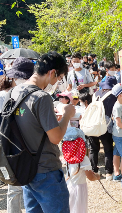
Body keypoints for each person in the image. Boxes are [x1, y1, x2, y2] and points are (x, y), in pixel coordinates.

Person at [9, 51, 75, 212]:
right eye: (58, 79)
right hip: (46, 170)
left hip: (25, 168)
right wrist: (67, 114)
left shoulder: (16, 91)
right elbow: (55, 137)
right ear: (52, 72)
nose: (57, 83)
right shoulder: (41, 97)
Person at [0, 57, 34, 213]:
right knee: (14, 184)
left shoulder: (26, 93)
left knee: (22, 182)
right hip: (10, 144)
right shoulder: (5, 96)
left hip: (22, 143)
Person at [62, 135, 100, 213]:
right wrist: (97, 176)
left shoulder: (67, 157)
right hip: (79, 189)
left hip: (68, 186)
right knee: (79, 209)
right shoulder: (84, 159)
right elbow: (91, 177)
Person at [90, 77, 117, 180]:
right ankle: (108, 173)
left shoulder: (95, 94)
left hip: (93, 124)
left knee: (93, 149)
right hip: (105, 125)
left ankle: (94, 171)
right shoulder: (113, 96)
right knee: (108, 149)